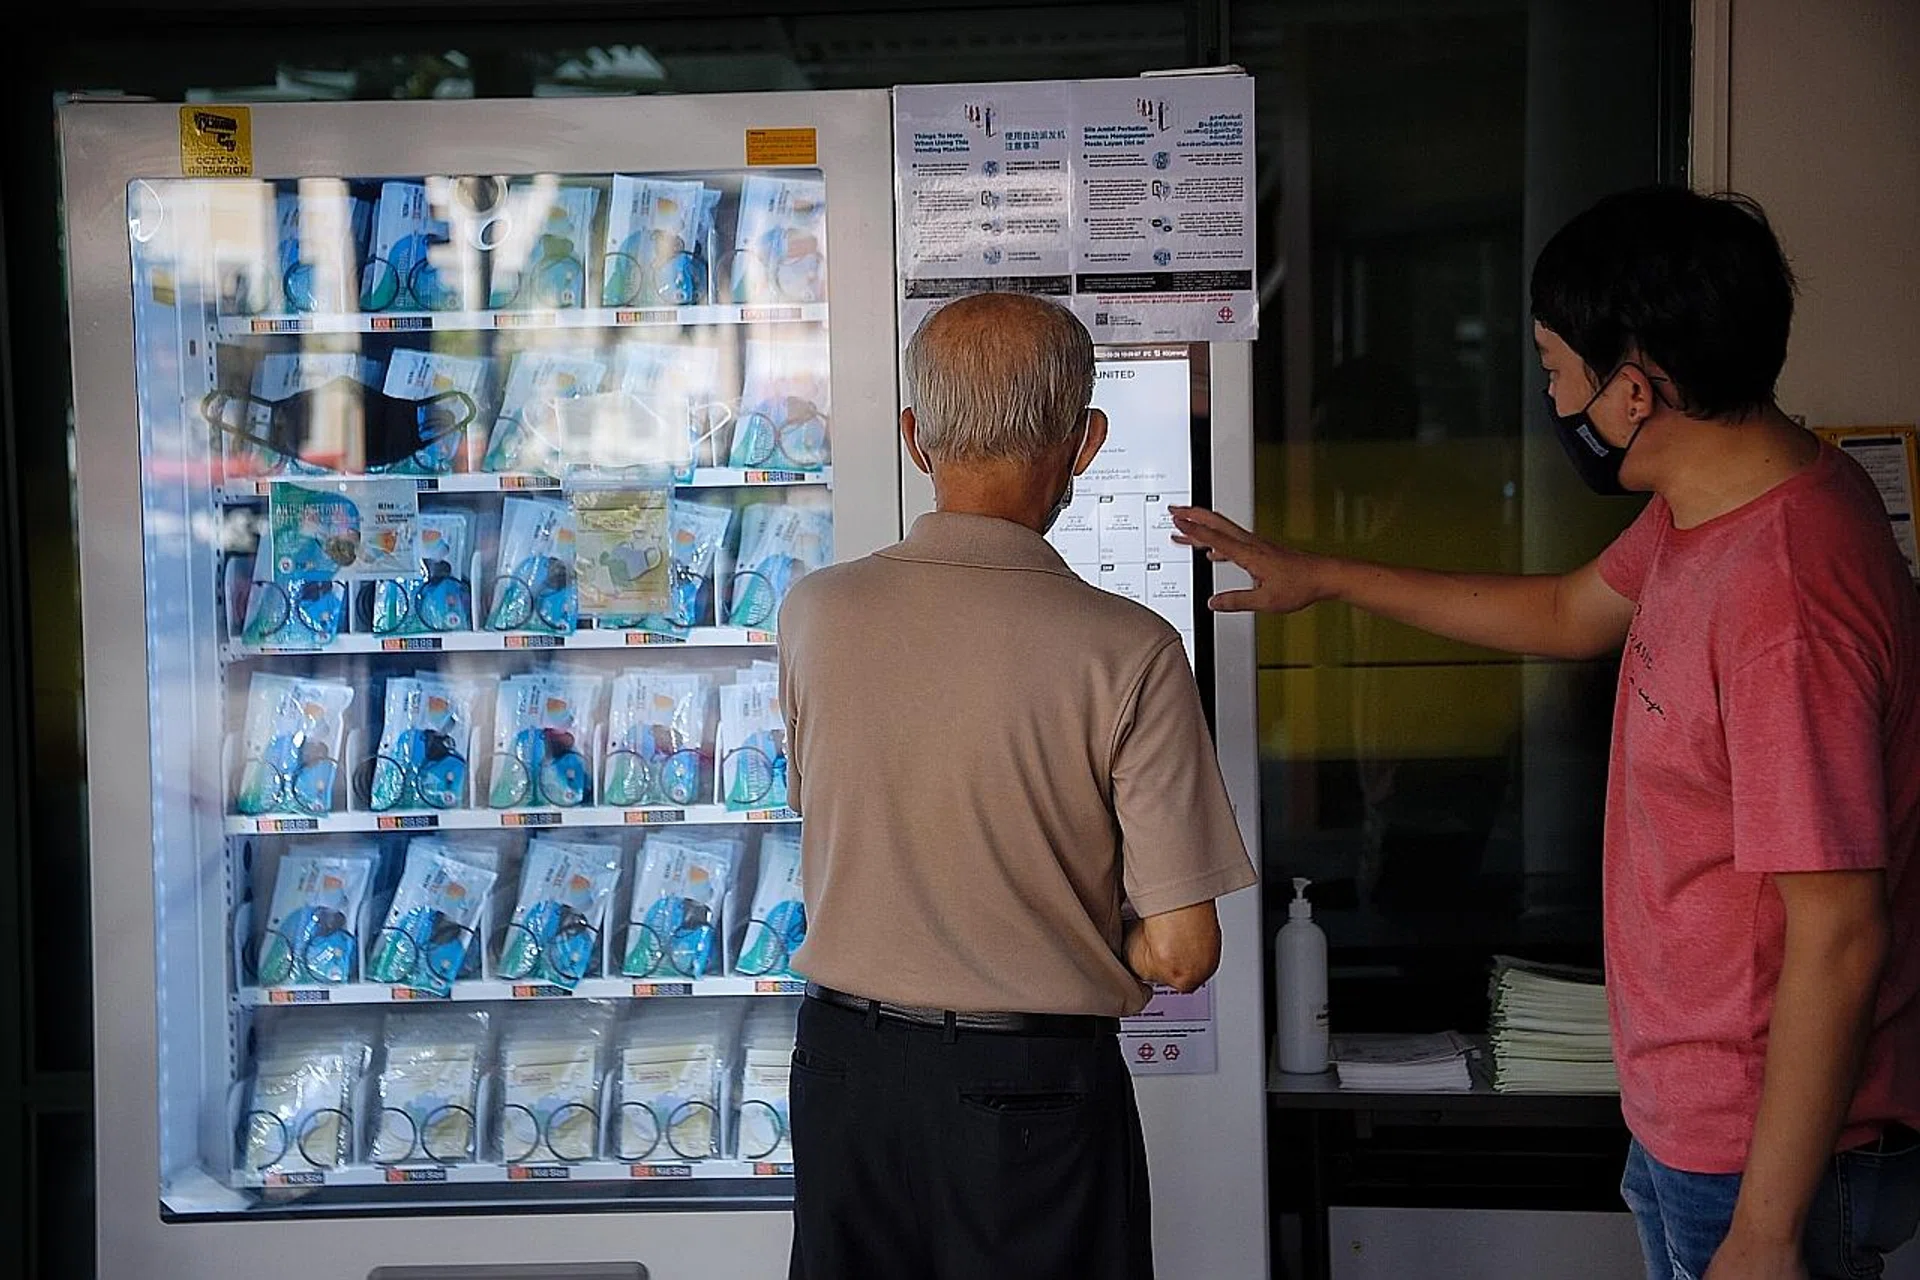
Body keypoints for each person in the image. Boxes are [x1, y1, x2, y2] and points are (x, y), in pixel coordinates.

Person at [1173, 186, 1920, 1280]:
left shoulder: (1788, 601)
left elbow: (1842, 929)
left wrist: (1765, 1231)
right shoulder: (1706, 507)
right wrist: (1322, 572)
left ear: (1632, 388)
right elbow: (1568, 613)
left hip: (1765, 1157)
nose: (1548, 390)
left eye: (1555, 363)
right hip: (1694, 1119)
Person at [777, 291, 1257, 1280]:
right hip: (1030, 1090)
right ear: (1085, 443)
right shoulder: (1130, 647)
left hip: (842, 1072)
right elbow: (1183, 948)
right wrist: (1079, 928)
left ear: (916, 439)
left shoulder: (815, 614)